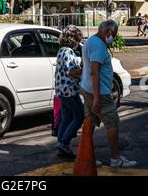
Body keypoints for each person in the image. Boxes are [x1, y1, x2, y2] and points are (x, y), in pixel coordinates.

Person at [80, 19, 137, 167]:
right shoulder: (98, 46)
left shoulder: (90, 41)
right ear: (108, 31)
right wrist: (98, 98)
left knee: (90, 121)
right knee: (112, 123)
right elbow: (94, 72)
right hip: (100, 92)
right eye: (114, 34)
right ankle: (115, 159)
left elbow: (84, 64)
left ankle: (87, 157)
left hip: (87, 88)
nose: (113, 38)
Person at [55, 25, 84, 158]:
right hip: (69, 90)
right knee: (79, 116)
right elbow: (71, 72)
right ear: (73, 39)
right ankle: (63, 144)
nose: (79, 42)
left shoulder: (61, 50)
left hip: (61, 90)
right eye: (78, 39)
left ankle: (61, 144)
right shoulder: (68, 52)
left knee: (66, 118)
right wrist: (85, 69)